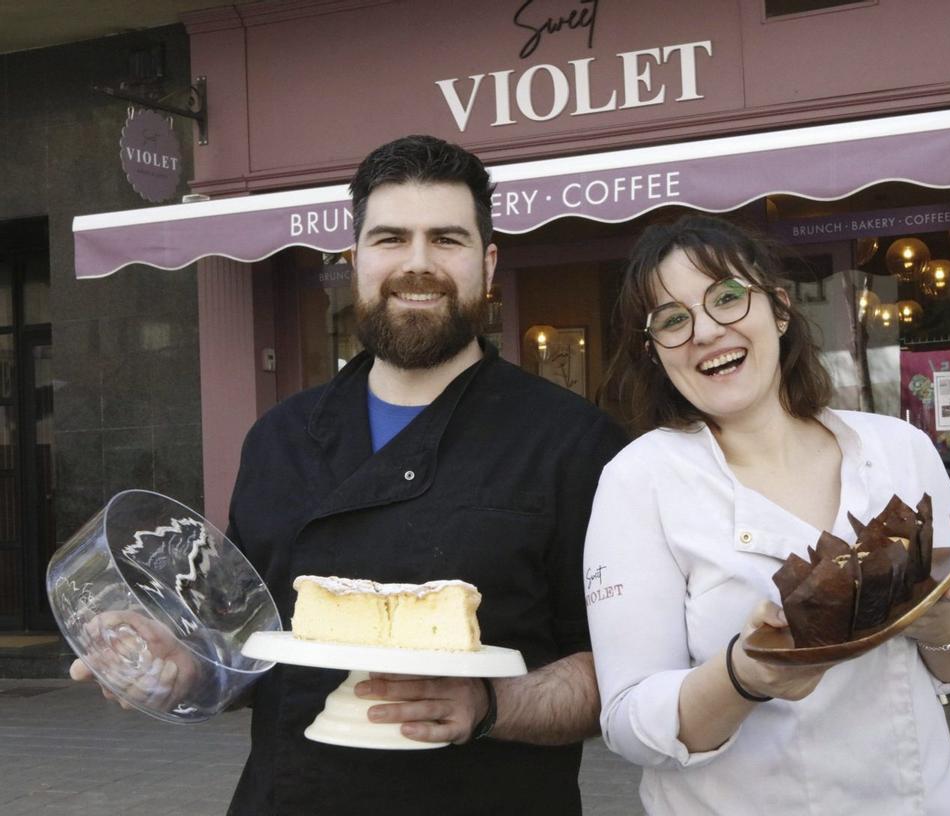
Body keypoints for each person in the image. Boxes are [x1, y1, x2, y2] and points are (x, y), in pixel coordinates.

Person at [73, 135, 627, 815]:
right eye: (391, 238)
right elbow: (237, 640)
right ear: (355, 260)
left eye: (446, 239)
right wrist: (178, 663)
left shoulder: (574, 442)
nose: (417, 263)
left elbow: (618, 669)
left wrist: (492, 705)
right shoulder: (279, 438)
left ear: (487, 264)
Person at [583, 214, 950, 815]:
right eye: (673, 320)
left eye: (726, 298)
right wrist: (742, 676)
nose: (706, 331)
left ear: (780, 310)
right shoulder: (639, 480)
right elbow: (627, 721)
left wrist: (941, 623)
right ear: (654, 353)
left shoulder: (899, 450)